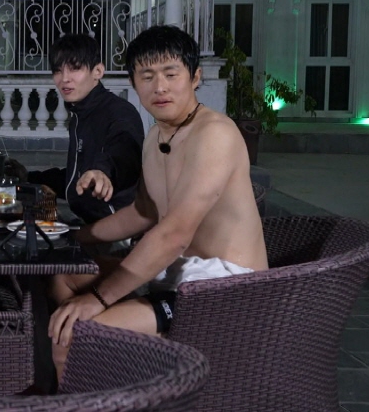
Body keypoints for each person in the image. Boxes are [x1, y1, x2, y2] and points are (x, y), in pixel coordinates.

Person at [47, 25, 268, 380]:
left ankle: (94, 370)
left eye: (171, 74)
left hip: (220, 291)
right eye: (147, 76)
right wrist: (73, 238)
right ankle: (119, 374)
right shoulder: (156, 137)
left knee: (72, 336)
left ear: (195, 77)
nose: (159, 87)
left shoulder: (214, 134)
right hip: (177, 275)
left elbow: (174, 233)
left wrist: (98, 299)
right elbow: (143, 212)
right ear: (134, 83)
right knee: (64, 276)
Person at [21, 33, 145, 224]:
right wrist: (29, 177)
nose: (64, 79)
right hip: (88, 222)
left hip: (118, 229)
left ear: (98, 71)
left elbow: (125, 151)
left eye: (75, 68)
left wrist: (103, 171)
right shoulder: (81, 114)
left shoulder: (119, 112)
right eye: (58, 71)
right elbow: (77, 178)